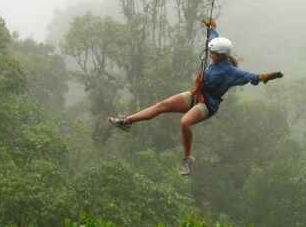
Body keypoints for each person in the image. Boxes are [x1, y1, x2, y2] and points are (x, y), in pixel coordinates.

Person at [109, 18, 283, 175]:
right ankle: (127, 121)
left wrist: (263, 77)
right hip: (197, 94)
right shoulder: (217, 56)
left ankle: (187, 160)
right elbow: (214, 38)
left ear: (221, 55)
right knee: (162, 105)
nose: (210, 55)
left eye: (212, 53)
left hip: (208, 104)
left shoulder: (230, 71)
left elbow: (249, 76)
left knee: (185, 122)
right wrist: (211, 28)